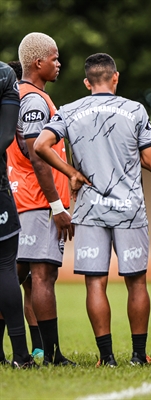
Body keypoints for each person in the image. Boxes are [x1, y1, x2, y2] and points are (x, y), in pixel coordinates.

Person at [34, 53, 151, 367]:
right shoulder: (135, 110)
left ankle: (107, 358)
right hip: (129, 207)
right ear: (115, 78)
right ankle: (138, 356)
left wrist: (72, 173)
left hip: (90, 210)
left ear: (87, 82)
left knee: (95, 282)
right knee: (137, 282)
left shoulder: (70, 110)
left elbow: (40, 145)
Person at [6, 32, 75, 366]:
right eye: (55, 57)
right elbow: (37, 156)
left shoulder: (16, 94)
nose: (59, 64)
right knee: (41, 275)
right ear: (38, 62)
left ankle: (30, 352)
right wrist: (58, 206)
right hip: (36, 202)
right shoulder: (34, 100)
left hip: (22, 198)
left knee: (16, 276)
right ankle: (51, 354)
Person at [6, 60, 43, 358]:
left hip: (14, 197)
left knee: (26, 280)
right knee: (15, 276)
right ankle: (32, 350)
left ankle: (37, 348)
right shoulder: (18, 114)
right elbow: (32, 152)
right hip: (24, 200)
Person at [0, 60, 35, 368]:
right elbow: (7, 139)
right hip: (5, 191)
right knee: (7, 269)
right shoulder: (5, 74)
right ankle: (23, 355)